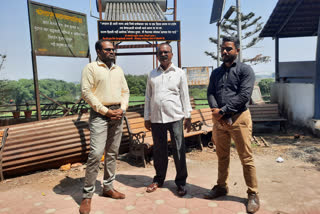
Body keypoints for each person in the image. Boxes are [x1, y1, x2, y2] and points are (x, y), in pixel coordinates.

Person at [205, 36, 260, 213]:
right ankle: (221, 186)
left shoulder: (245, 70)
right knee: (222, 156)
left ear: (236, 50)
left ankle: (252, 193)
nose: (224, 52)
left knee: (246, 157)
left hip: (239, 119)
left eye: (228, 49)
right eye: (222, 48)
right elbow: (211, 92)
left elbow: (244, 96)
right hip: (219, 121)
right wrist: (216, 110)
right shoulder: (216, 73)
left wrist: (223, 111)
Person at [79, 40, 129, 214]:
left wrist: (122, 109)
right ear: (99, 52)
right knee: (95, 154)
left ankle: (108, 187)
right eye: (108, 50)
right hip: (100, 115)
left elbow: (125, 91)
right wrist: (106, 111)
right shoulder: (91, 68)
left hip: (118, 113)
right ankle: (87, 196)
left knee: (113, 152)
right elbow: (86, 92)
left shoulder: (118, 70)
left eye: (113, 50)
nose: (112, 52)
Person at [144, 42, 192, 197]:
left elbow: (184, 95)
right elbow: (148, 97)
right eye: (161, 52)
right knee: (159, 151)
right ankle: (158, 179)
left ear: (172, 54)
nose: (163, 54)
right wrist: (147, 117)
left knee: (179, 150)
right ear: (157, 56)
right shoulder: (152, 74)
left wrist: (188, 116)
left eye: (167, 52)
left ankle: (181, 183)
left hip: (175, 117)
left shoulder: (179, 73)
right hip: (157, 119)